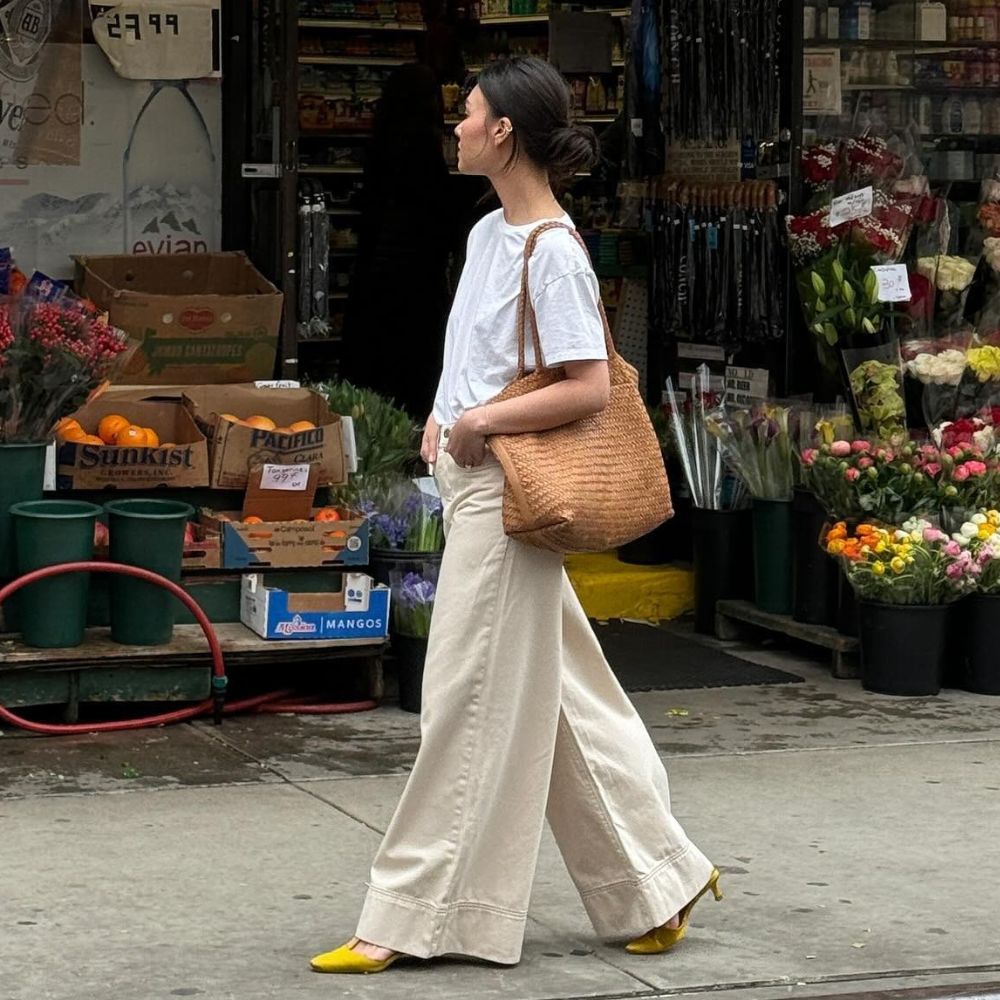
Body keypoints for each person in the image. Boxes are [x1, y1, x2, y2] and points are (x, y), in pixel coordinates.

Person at [310, 55, 721, 976]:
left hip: (511, 495)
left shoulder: (555, 252)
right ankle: (656, 877)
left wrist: (483, 419)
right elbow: (482, 359)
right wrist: (444, 412)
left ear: (504, 132)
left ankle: (417, 913)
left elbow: (581, 388)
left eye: (467, 114)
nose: (453, 127)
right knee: (563, 697)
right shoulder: (493, 234)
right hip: (475, 483)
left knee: (463, 699)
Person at [339, 63, 457, 419]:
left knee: (375, 361)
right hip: (417, 273)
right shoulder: (424, 145)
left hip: (376, 269)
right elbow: (436, 211)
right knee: (415, 363)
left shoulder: (381, 141)